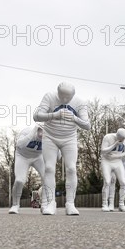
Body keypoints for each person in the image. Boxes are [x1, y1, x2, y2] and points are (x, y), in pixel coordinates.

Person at [33, 82, 90, 215]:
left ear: (73, 95)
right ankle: (51, 202)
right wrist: (54, 115)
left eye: (67, 97)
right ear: (57, 92)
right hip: (50, 137)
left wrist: (75, 118)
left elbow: (87, 126)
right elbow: (36, 116)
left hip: (69, 138)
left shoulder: (80, 102)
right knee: (49, 168)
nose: (64, 100)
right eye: (61, 96)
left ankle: (70, 203)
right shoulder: (49, 96)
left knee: (71, 168)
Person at [9, 125, 45, 214]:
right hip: (23, 156)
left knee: (48, 178)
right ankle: (15, 205)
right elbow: (19, 145)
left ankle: (45, 204)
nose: (42, 134)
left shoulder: (50, 134)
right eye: (40, 130)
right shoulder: (27, 131)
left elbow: (57, 153)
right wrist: (33, 134)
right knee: (19, 180)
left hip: (38, 157)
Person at [100, 128, 125, 212]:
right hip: (106, 161)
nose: (122, 140)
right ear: (117, 135)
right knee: (107, 181)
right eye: (121, 138)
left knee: (123, 182)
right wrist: (114, 145)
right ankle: (104, 204)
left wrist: (117, 156)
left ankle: (121, 204)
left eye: (124, 138)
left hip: (117, 161)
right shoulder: (108, 137)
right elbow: (103, 151)